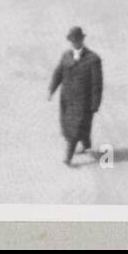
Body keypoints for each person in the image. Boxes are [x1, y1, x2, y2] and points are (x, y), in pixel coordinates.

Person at [47, 27, 103, 166]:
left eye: (77, 40)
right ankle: (86, 145)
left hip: (83, 102)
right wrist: (51, 90)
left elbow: (97, 84)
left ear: (82, 40)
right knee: (74, 127)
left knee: (75, 129)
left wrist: (95, 104)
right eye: (72, 40)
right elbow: (58, 73)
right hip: (67, 100)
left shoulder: (93, 59)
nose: (75, 43)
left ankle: (68, 158)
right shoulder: (66, 56)